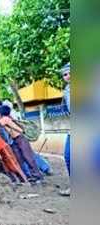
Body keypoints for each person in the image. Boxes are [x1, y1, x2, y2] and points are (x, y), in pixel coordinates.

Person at [0, 106, 44, 184]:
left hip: (21, 138)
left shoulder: (5, 119)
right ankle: (29, 175)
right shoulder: (6, 118)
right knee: (19, 158)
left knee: (28, 157)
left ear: (0, 113)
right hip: (16, 140)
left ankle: (37, 176)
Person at [59, 62, 70, 196]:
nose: (67, 76)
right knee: (68, 156)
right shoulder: (67, 89)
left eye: (69, 73)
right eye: (64, 74)